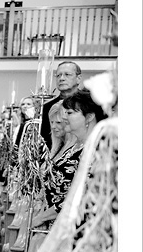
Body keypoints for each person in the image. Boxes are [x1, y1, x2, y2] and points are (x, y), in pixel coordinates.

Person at [34, 90, 100, 228]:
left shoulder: (94, 149)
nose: (64, 118)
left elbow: (81, 196)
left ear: (89, 117)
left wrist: (42, 217)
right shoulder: (75, 145)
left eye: (70, 113)